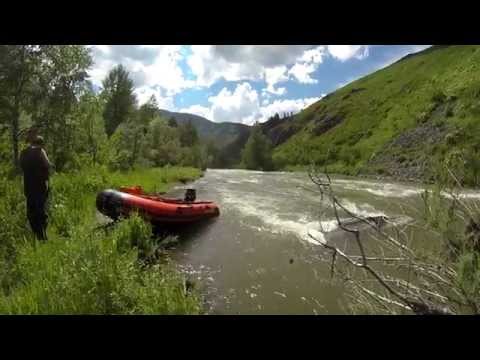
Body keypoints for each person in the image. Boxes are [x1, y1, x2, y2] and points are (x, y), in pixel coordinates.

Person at [19, 130, 52, 240]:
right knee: (41, 211)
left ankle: (37, 235)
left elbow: (21, 168)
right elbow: (48, 165)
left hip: (28, 187)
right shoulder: (40, 151)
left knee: (32, 212)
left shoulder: (23, 153)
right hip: (40, 186)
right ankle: (43, 235)